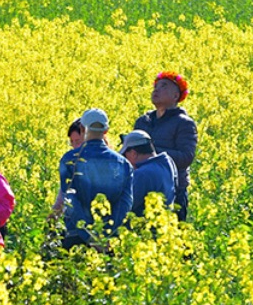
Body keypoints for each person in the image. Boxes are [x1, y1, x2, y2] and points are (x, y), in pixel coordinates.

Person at [59, 109, 133, 248]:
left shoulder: (69, 159)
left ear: (81, 128)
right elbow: (125, 202)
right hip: (110, 241)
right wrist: (107, 234)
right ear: (106, 131)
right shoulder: (123, 163)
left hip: (77, 237)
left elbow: (70, 202)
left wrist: (89, 236)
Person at [134, 71, 198, 221]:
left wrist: (151, 152)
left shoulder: (184, 123)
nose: (156, 90)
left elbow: (186, 157)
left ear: (176, 96)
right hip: (140, 187)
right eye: (156, 86)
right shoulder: (143, 121)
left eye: (163, 86)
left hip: (172, 190)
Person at [120, 130, 177, 218]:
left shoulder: (142, 174)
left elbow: (127, 206)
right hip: (165, 223)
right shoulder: (167, 163)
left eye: (125, 156)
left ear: (133, 153)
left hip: (145, 226)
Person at [51, 118, 84, 216]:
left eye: (78, 142)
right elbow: (62, 198)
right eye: (72, 142)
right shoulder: (71, 165)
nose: (74, 147)